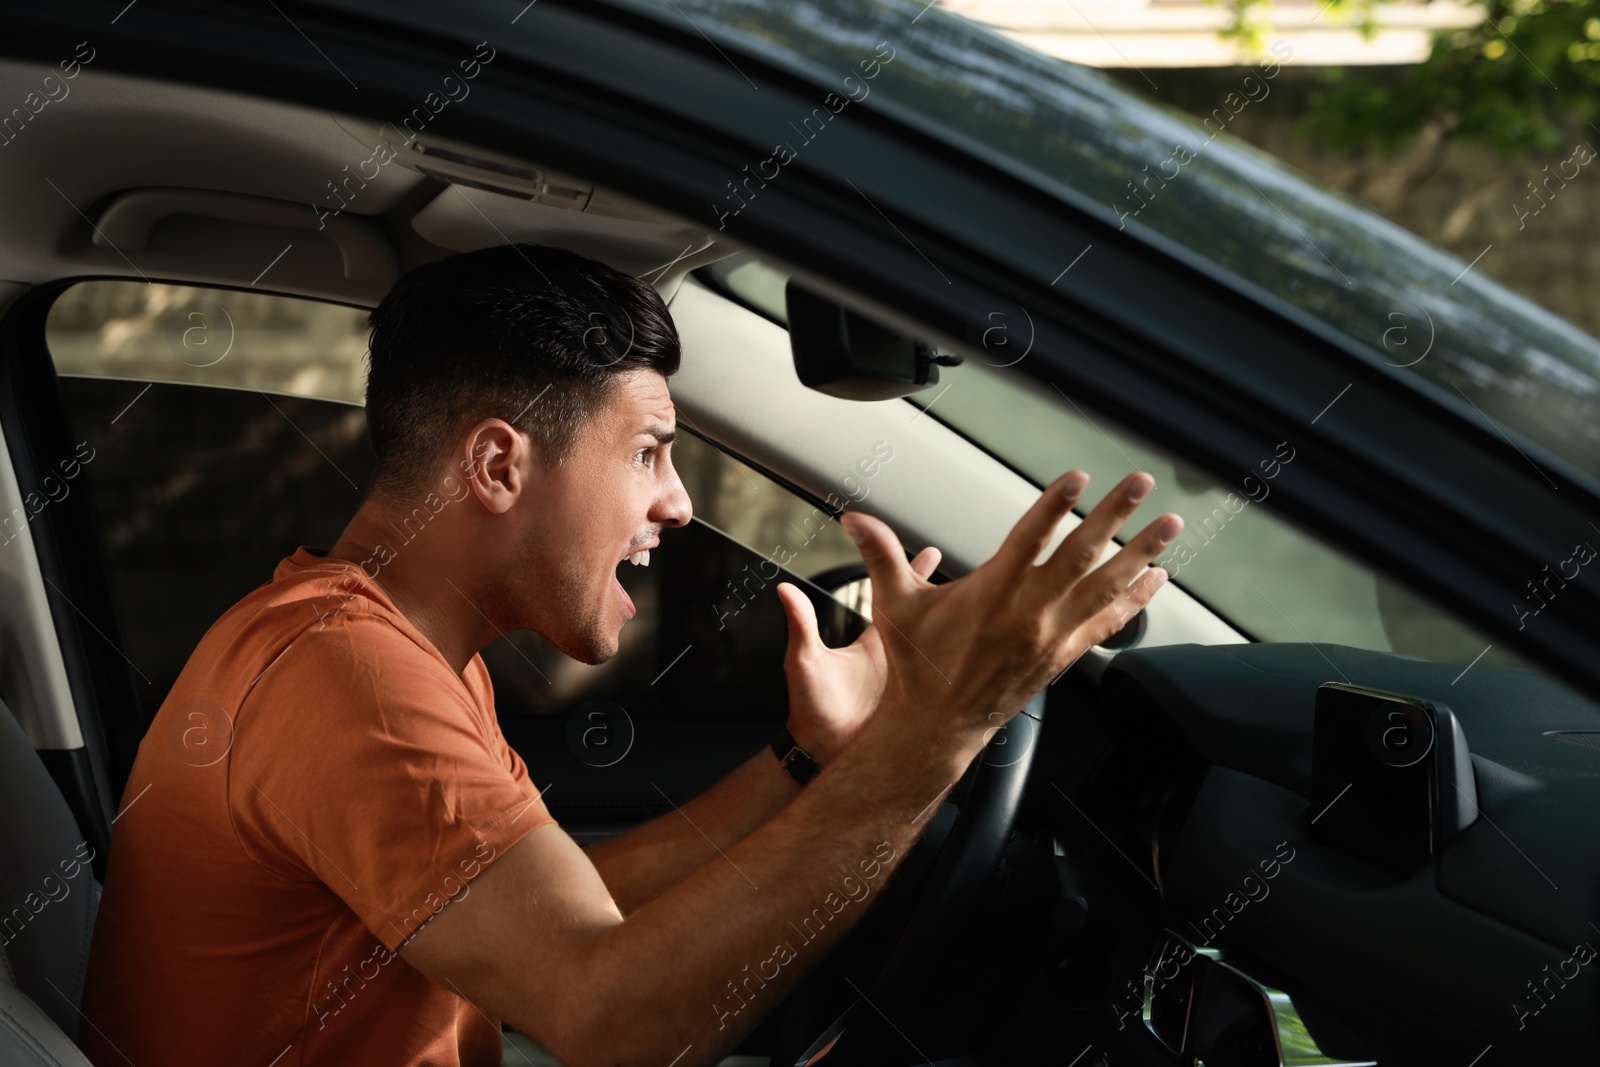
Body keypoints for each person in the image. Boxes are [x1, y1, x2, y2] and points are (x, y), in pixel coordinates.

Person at [79, 243, 1182, 1067]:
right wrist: (939, 728)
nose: (677, 502)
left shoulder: (389, 644)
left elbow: (558, 916)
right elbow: (609, 1015)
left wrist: (814, 758)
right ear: (499, 466)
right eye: (649, 450)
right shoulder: (344, 673)